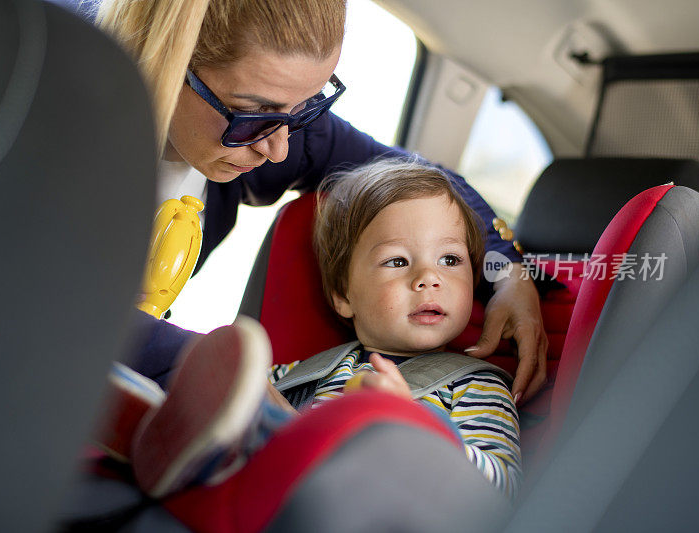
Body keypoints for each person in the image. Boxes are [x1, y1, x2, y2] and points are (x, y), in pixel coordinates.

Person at [92, 0, 546, 404]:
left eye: (307, 107)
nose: (280, 150)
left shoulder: (270, 130)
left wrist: (505, 272)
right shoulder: (41, 138)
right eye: (253, 117)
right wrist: (203, 368)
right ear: (171, 59)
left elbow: (423, 183)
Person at [124, 159, 521, 501]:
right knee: (242, 397)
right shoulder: (305, 372)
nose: (428, 278)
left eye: (450, 259)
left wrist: (413, 427)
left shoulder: (476, 388)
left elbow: (497, 491)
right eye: (398, 262)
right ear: (343, 295)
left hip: (378, 511)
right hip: (276, 498)